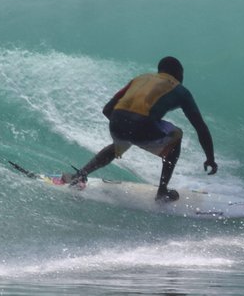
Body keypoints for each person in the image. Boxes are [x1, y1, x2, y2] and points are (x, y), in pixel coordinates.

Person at [63, 56, 217, 202]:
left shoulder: (140, 78)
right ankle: (162, 192)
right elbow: (200, 127)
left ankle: (80, 175)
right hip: (143, 126)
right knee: (177, 136)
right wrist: (210, 158)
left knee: (120, 144)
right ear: (178, 74)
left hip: (116, 122)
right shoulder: (181, 90)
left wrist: (126, 129)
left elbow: (107, 109)